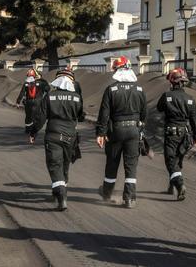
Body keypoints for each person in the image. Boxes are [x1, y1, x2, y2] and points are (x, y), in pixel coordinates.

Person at [28, 68, 85, 211]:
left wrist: (33, 132)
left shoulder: (50, 96)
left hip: (52, 135)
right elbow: (82, 116)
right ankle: (61, 188)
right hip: (70, 137)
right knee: (65, 164)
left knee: (54, 164)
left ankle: (60, 194)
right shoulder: (77, 97)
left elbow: (40, 118)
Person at [96, 56, 147, 208]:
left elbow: (104, 114)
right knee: (130, 166)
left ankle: (107, 193)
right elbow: (144, 114)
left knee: (112, 163)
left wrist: (101, 133)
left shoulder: (111, 90)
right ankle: (129, 198)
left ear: (116, 70)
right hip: (134, 131)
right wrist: (140, 130)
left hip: (116, 131)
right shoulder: (140, 90)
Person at [157, 67, 196, 201]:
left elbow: (159, 108)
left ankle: (179, 185)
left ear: (172, 81)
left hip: (171, 133)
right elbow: (194, 119)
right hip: (185, 134)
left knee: (170, 160)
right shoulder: (190, 99)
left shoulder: (167, 96)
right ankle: (172, 186)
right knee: (177, 159)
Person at [16, 68, 49, 134]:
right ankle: (34, 129)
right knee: (36, 116)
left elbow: (22, 93)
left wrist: (18, 102)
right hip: (38, 102)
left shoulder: (26, 83)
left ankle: (28, 130)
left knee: (28, 116)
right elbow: (48, 89)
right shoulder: (41, 83)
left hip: (28, 102)